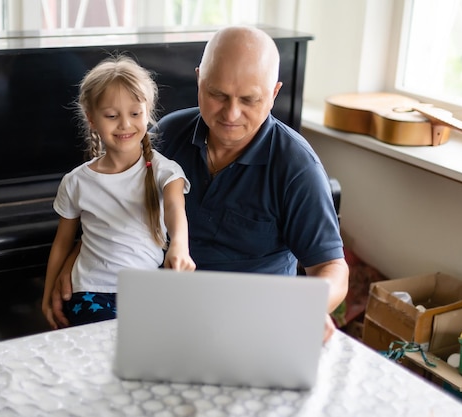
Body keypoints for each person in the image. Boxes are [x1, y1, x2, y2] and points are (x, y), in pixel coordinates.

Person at [48, 26, 348, 342]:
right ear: (199, 81)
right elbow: (120, 205)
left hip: (248, 328)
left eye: (249, 99)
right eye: (218, 95)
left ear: (273, 94)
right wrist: (76, 257)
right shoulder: (168, 134)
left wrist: (304, 306)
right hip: (160, 316)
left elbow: (332, 268)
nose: (231, 114)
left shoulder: (297, 167)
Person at [42, 55, 196, 329]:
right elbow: (62, 243)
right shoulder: (76, 181)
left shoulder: (165, 171)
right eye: (112, 116)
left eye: (135, 113)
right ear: (91, 118)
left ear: (147, 113)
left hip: (144, 291)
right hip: (90, 290)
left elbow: (175, 210)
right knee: (107, 350)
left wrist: (180, 245)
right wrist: (47, 293)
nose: (125, 124)